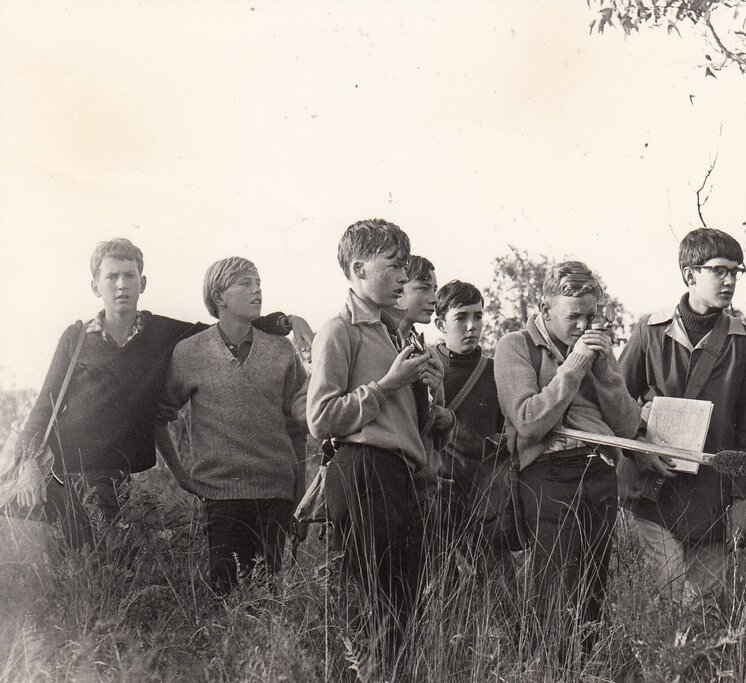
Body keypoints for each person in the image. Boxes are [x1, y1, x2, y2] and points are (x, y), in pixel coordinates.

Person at [15, 238, 312, 549]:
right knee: (75, 571)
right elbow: (44, 405)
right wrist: (29, 465)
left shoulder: (163, 333)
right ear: (95, 286)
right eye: (111, 277)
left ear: (142, 283)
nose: (121, 285)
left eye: (129, 276)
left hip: (118, 479)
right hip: (66, 475)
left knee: (113, 568)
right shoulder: (76, 337)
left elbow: (227, 327)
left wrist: (287, 322)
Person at [307, 219, 453, 671]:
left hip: (401, 478)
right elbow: (321, 419)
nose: (404, 279)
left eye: (406, 268)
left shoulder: (398, 335)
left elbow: (415, 425)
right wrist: (389, 384)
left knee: (402, 608)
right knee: (376, 609)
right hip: (365, 473)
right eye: (393, 267)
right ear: (358, 268)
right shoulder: (339, 331)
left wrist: (435, 398)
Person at [494, 260, 640, 659]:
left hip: (600, 471)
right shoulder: (515, 346)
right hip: (549, 475)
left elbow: (627, 426)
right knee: (554, 587)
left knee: (594, 586)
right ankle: (549, 667)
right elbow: (528, 422)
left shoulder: (597, 350)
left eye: (591, 315)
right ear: (544, 309)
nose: (583, 325)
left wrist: (608, 371)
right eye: (572, 315)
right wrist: (574, 366)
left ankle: (586, 666)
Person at [617, 228, 746, 607]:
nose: (730, 280)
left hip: (713, 497)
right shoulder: (649, 332)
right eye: (720, 270)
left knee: (702, 606)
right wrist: (641, 446)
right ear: (690, 274)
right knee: (666, 594)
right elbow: (615, 402)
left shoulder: (745, 342)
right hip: (653, 492)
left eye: (736, 271)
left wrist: (744, 500)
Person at [155, 257, 308, 594]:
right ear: (219, 297)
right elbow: (159, 414)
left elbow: (298, 428)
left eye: (258, 283)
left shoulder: (281, 350)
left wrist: (299, 495)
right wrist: (182, 475)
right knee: (226, 601)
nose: (257, 290)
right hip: (221, 497)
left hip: (275, 495)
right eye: (245, 283)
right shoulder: (190, 352)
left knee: (268, 600)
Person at [429, 280, 505, 552]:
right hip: (436, 495)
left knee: (497, 586)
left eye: (478, 316)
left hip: (485, 496)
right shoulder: (423, 367)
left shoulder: (496, 372)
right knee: (439, 579)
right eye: (461, 317)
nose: (472, 326)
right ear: (440, 325)